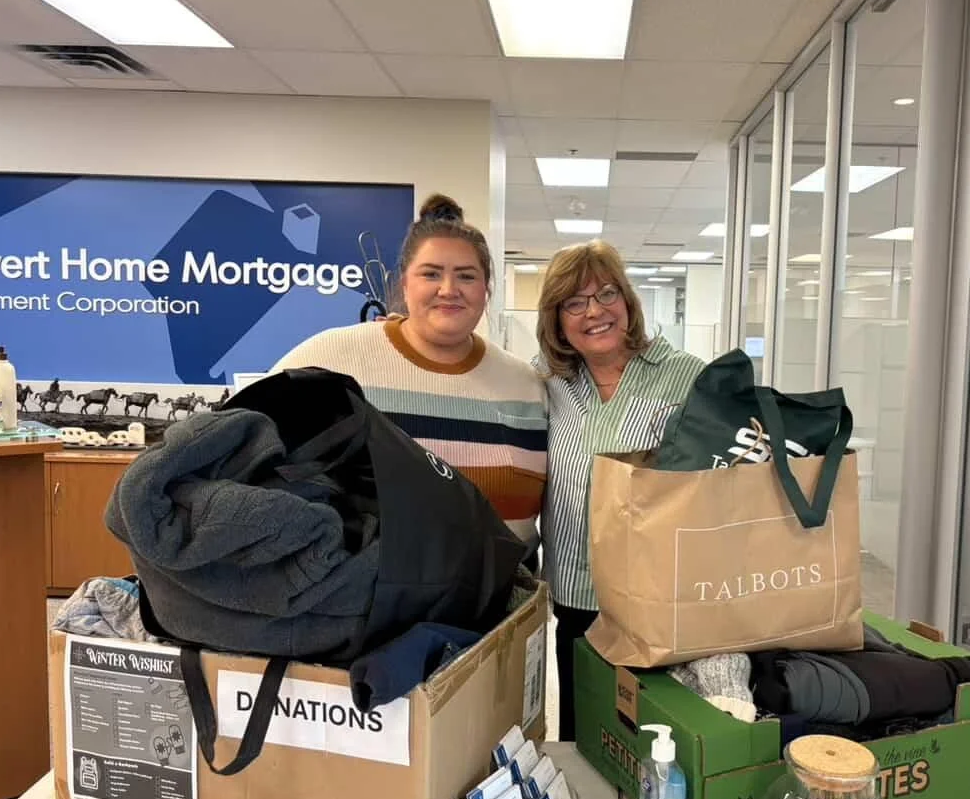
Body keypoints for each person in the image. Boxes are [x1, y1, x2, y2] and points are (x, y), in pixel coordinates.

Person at [271, 193, 547, 558]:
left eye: (466, 276)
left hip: (505, 607)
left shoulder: (524, 383)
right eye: (431, 274)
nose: (449, 290)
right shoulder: (330, 359)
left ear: (486, 290)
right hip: (369, 608)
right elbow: (252, 457)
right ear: (405, 284)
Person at [536, 239, 705, 741]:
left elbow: (720, 483)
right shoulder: (550, 384)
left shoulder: (686, 377)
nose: (595, 311)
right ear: (558, 320)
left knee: (649, 738)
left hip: (654, 600)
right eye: (574, 302)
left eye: (606, 293)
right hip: (574, 593)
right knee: (579, 732)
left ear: (627, 302)